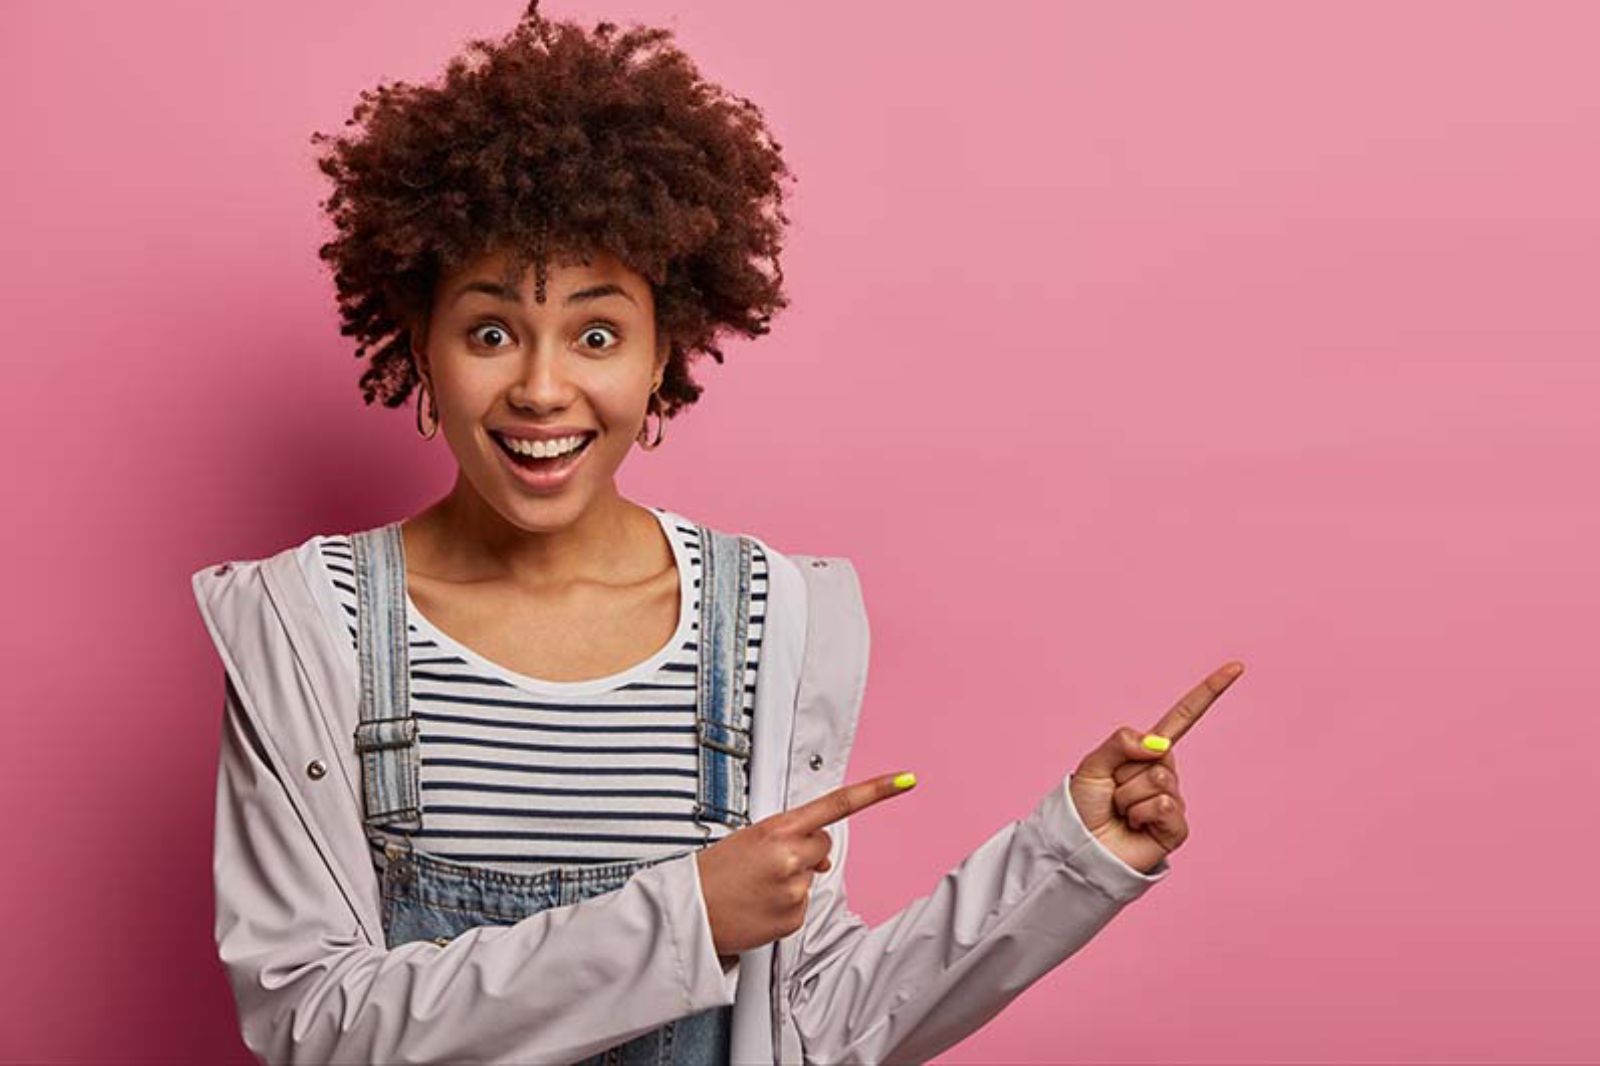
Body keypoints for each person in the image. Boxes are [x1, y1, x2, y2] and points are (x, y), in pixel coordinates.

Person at [191, 2, 1244, 1062]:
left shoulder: (766, 619)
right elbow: (311, 1021)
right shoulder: (305, 624)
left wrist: (1070, 859)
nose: (543, 386)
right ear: (422, 347)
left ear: (663, 355)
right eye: (492, 330)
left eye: (597, 333)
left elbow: (813, 1025)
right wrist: (682, 922)